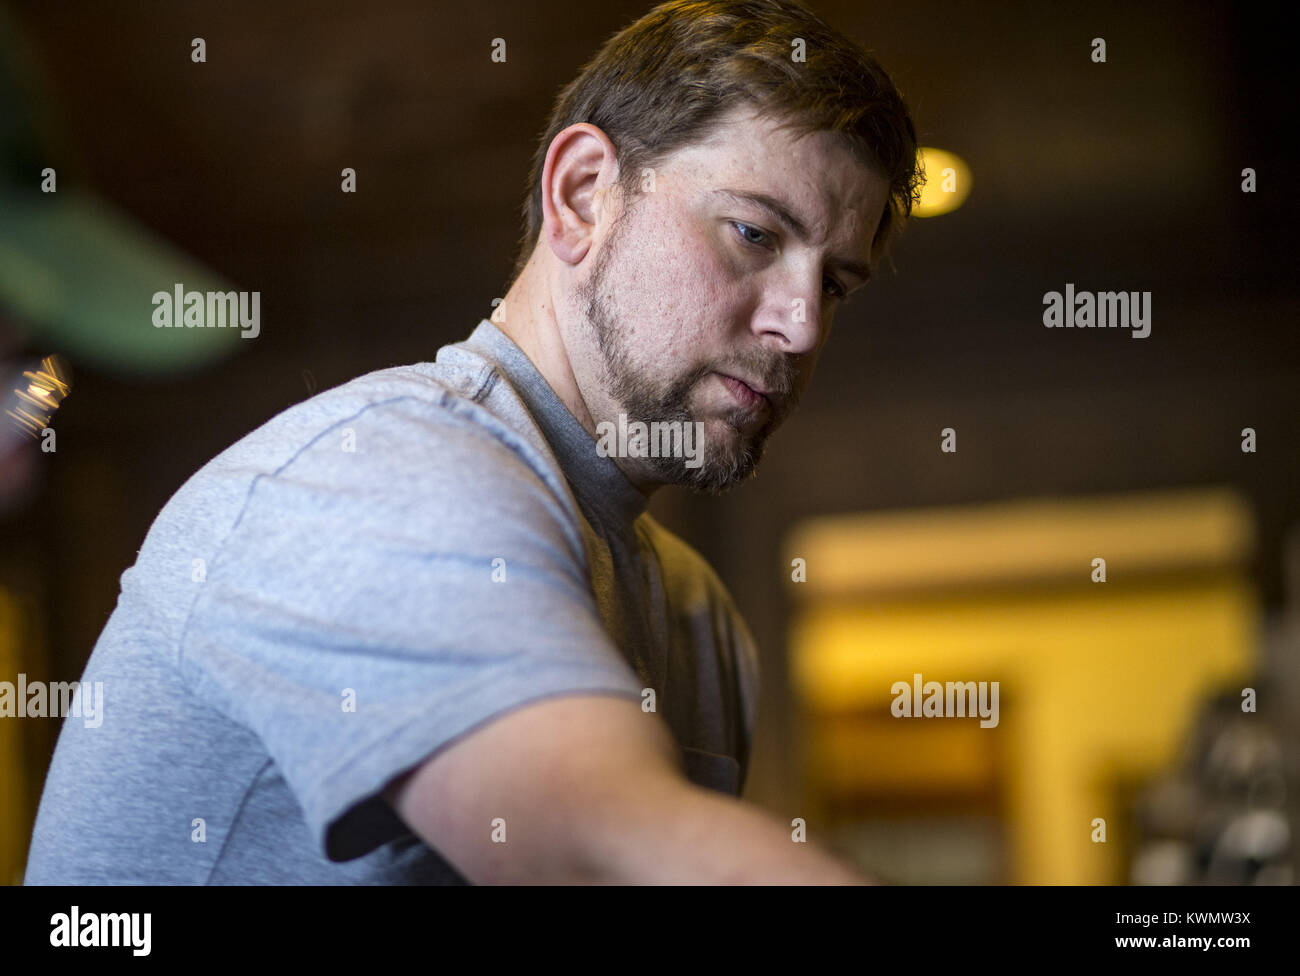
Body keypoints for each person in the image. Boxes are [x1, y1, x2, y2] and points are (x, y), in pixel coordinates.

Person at [24, 0, 920, 885]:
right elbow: (596, 846)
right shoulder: (376, 472)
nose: (801, 325)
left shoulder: (701, 619)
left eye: (835, 284)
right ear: (582, 196)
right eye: (755, 234)